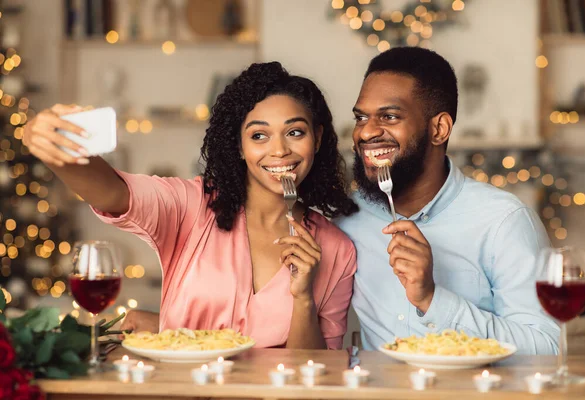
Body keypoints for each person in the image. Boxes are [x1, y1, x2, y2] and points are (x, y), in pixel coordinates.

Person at [23, 62, 359, 349]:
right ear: (239, 146)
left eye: (295, 133)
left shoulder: (336, 250)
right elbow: (113, 193)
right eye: (259, 135)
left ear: (316, 137)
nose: (279, 150)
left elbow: (318, 372)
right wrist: (52, 145)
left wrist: (303, 298)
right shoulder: (191, 206)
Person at [335, 47, 560, 355]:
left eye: (389, 116)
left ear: (439, 129)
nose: (367, 132)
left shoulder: (504, 221)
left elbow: (547, 351)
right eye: (361, 117)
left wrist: (432, 299)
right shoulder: (348, 219)